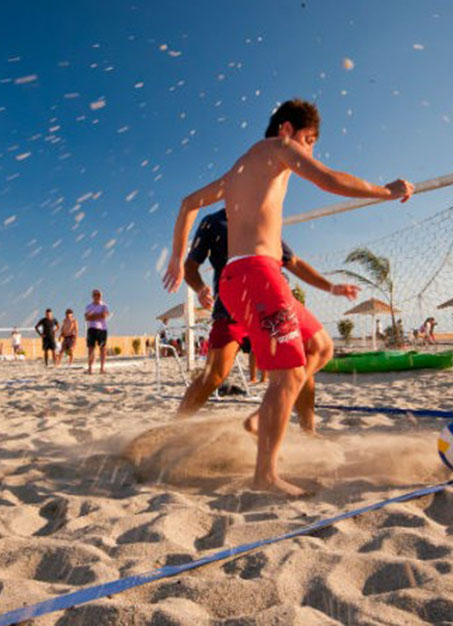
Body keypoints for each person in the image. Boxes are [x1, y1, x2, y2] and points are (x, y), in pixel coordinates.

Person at [163, 98, 412, 495]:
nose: (309, 150)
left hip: (252, 277)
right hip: (254, 275)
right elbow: (328, 179)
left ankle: (263, 419)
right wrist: (385, 190)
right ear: (286, 130)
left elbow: (187, 203)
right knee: (287, 374)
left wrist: (176, 258)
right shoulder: (278, 149)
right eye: (308, 140)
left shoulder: (239, 170)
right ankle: (265, 476)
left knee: (321, 346)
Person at [176, 207, 359, 426]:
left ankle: (308, 430)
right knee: (214, 374)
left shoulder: (263, 219)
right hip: (232, 307)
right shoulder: (213, 222)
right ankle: (173, 427)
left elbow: (294, 262)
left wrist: (331, 287)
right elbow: (190, 267)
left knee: (299, 361)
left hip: (273, 305)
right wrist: (200, 288)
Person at [84, 289, 110, 374]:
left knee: (103, 349)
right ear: (92, 296)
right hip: (91, 328)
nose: (97, 296)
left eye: (98, 295)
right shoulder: (88, 306)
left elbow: (104, 315)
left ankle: (102, 368)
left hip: (102, 329)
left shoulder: (104, 305)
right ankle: (90, 368)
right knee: (91, 349)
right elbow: (87, 318)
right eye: (95, 295)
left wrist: (93, 316)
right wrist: (98, 315)